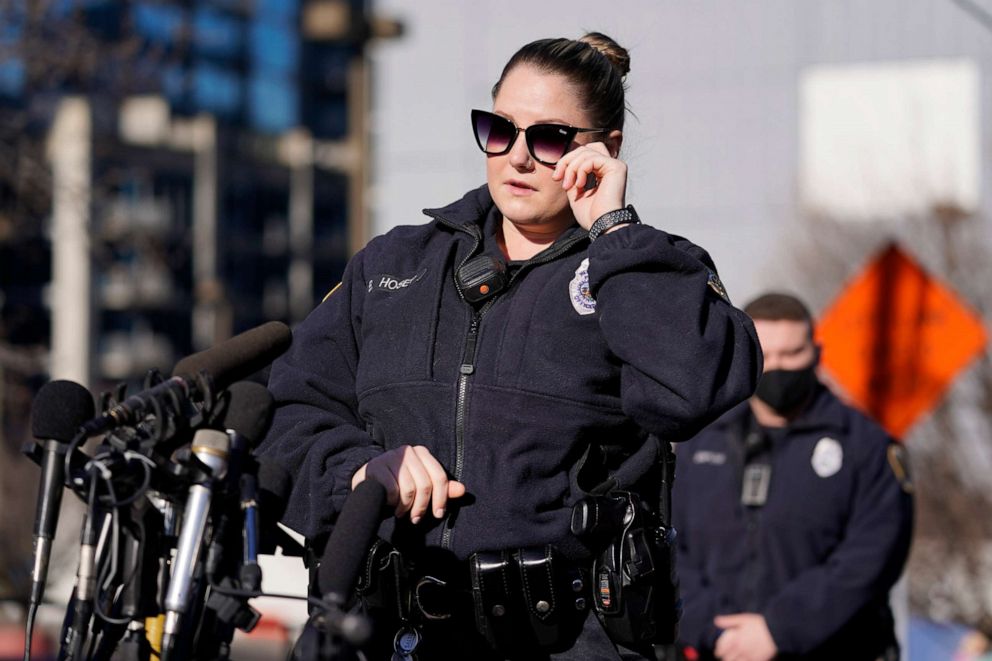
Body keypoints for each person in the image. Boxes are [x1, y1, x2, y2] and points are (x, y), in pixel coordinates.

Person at [259, 32, 761, 660]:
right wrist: (358, 469)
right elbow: (285, 413)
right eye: (499, 129)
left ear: (606, 151)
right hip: (384, 632)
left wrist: (612, 232)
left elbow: (695, 391)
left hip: (565, 639)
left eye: (548, 139)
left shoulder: (647, 268)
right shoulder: (392, 264)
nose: (517, 158)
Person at [672, 292, 914, 661]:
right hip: (717, 650)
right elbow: (670, 547)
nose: (780, 367)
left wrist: (779, 630)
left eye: (792, 354)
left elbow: (872, 556)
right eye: (767, 355)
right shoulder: (699, 441)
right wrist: (713, 630)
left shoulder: (865, 446)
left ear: (816, 352)